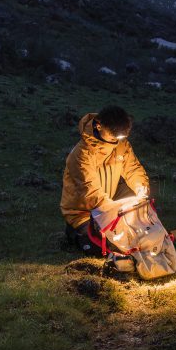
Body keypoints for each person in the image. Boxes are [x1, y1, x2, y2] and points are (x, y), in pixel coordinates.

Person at [61, 105, 150, 251]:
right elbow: (89, 191)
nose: (116, 141)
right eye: (112, 137)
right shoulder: (81, 154)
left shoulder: (122, 145)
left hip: (109, 204)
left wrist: (141, 188)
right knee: (111, 244)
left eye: (120, 138)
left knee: (141, 230)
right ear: (98, 126)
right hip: (83, 212)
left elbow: (133, 169)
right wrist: (114, 212)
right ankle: (76, 235)